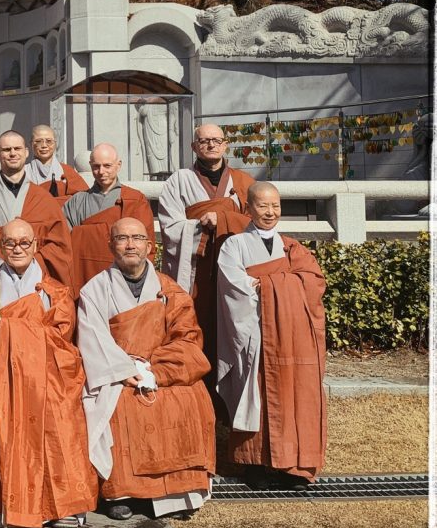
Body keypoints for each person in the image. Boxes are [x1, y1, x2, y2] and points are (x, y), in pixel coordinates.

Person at [0, 219, 97, 528]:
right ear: (0, 249)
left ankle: (58, 508)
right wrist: (6, 376)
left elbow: (59, 339)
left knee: (62, 415)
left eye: (24, 243)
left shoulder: (50, 289)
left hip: (44, 378)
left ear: (35, 246)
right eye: (10, 243)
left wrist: (14, 332)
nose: (17, 249)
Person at [77, 217, 215, 521]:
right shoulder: (95, 289)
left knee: (189, 399)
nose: (130, 244)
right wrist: (125, 369)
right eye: (122, 238)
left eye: (137, 238)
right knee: (122, 406)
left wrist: (157, 371)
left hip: (161, 369)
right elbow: (92, 338)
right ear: (111, 245)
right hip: (117, 372)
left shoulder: (170, 289)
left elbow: (187, 336)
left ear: (149, 247)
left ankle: (176, 493)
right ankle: (121, 493)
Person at [216, 182, 327, 490]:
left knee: (293, 395)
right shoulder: (234, 246)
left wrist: (269, 284)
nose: (270, 212)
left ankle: (291, 465)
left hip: (291, 335)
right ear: (248, 208)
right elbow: (235, 288)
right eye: (263, 206)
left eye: (275, 205)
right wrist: (279, 284)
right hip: (255, 334)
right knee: (256, 395)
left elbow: (314, 283)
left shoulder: (292, 247)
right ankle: (254, 465)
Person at [157, 124, 254, 392]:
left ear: (225, 145)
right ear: (193, 146)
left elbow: (255, 224)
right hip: (196, 270)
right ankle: (198, 388)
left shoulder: (244, 182)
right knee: (198, 323)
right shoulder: (178, 181)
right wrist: (201, 226)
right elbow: (170, 226)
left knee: (232, 325)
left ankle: (233, 390)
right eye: (204, 141)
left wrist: (222, 219)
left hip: (233, 268)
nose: (210, 145)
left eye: (216, 140)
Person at [0, 131, 73, 288]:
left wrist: (28, 266)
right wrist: (2, 267)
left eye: (17, 149)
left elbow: (59, 245)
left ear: (26, 152)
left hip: (34, 279)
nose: (12, 153)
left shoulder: (44, 198)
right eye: (6, 150)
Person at [64, 143, 155, 294]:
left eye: (107, 166)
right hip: (83, 276)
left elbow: (145, 244)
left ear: (118, 165)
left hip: (125, 278)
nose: (101, 172)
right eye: (96, 166)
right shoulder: (77, 201)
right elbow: (64, 243)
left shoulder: (134, 199)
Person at [27, 125, 88, 204]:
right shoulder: (23, 172)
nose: (44, 146)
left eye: (49, 141)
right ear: (30, 144)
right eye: (38, 141)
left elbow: (83, 199)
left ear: (55, 144)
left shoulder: (66, 170)